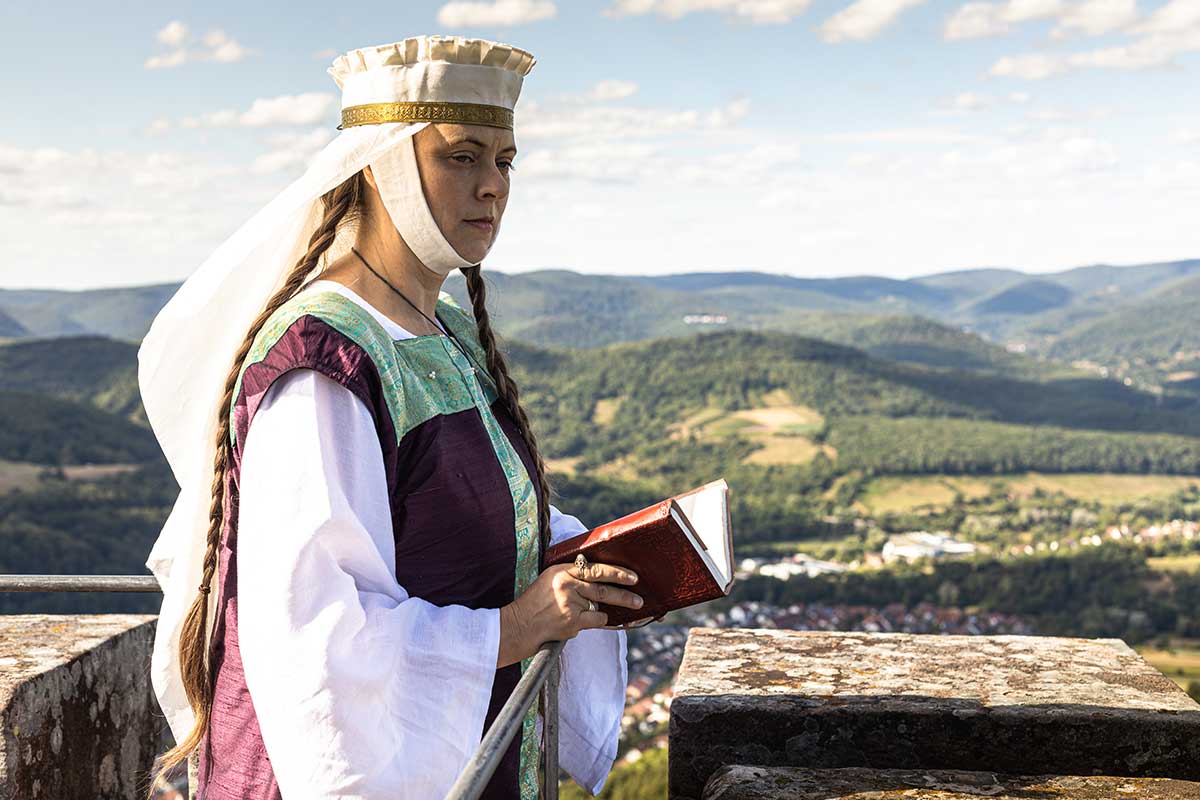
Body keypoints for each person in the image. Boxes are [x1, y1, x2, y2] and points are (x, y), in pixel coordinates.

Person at [138, 34, 645, 799]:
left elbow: (453, 514)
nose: (492, 188)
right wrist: (515, 627)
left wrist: (579, 552)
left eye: (504, 162)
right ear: (381, 165)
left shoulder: (427, 328)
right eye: (461, 156)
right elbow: (318, 642)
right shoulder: (323, 363)